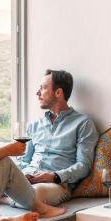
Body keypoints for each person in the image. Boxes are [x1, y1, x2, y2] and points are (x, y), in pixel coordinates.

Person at [18, 69, 99, 210]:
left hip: (56, 185)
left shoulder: (83, 123)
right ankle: (6, 199)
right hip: (27, 178)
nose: (38, 93)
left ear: (58, 93)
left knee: (34, 194)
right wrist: (18, 174)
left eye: (42, 88)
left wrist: (54, 176)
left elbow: (83, 165)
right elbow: (25, 160)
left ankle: (4, 199)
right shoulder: (34, 125)